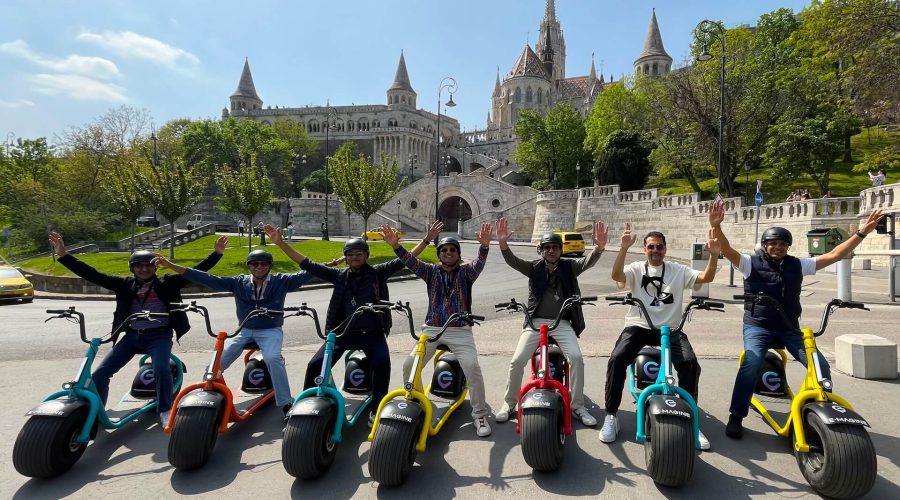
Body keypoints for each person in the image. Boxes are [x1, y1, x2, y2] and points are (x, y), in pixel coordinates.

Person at [712, 204, 885, 439]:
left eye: (782, 244)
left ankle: (818, 415)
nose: (777, 247)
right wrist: (716, 226)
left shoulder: (798, 265)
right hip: (758, 326)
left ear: (788, 247)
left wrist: (862, 232)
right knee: (751, 364)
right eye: (773, 243)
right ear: (765, 245)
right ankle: (736, 415)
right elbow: (727, 249)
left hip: (790, 328)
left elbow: (835, 255)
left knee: (820, 367)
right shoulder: (749, 263)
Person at [48, 232, 226, 426]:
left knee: (161, 369)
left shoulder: (168, 282)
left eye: (148, 265)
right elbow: (92, 274)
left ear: (155, 266)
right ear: (132, 268)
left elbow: (194, 272)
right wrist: (64, 256)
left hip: (159, 335)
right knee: (101, 373)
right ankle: (98, 411)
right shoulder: (124, 284)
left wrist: (216, 254)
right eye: (139, 266)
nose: (144, 269)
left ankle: (165, 409)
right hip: (132, 336)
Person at [271, 221, 441, 425]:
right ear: (345, 258)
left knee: (382, 364)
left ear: (366, 255)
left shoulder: (378, 273)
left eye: (359, 253)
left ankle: (376, 407)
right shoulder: (339, 275)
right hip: (343, 334)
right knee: (315, 365)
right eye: (350, 254)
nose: (355, 257)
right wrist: (281, 243)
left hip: (373, 333)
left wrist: (426, 240)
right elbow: (308, 264)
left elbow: (406, 259)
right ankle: (306, 408)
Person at [600, 213, 722, 450]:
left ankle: (691, 420)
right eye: (651, 247)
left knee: (689, 364)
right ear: (644, 249)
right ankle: (611, 415)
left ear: (666, 249)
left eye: (659, 247)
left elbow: (705, 277)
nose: (655, 250)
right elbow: (617, 277)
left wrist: (714, 256)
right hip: (639, 325)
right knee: (617, 359)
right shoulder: (636, 268)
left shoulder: (677, 270)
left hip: (671, 329)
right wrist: (623, 249)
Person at [154, 244, 311, 415]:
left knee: (273, 359)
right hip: (244, 329)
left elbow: (310, 271)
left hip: (270, 329)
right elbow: (205, 278)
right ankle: (208, 397)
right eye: (254, 264)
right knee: (215, 364)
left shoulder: (281, 281)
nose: (259, 267)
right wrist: (170, 265)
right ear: (249, 266)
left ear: (270, 266)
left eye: (263, 264)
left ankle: (286, 402)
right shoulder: (238, 282)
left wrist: (336, 263)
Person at [382, 222, 494, 437]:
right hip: (432, 329)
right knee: (409, 366)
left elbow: (479, 262)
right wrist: (396, 246)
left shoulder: (467, 273)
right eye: (444, 250)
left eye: (452, 250)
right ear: (439, 254)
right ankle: (416, 403)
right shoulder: (430, 272)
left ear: (458, 254)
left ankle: (479, 414)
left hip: (460, 330)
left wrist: (485, 247)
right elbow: (410, 261)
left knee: (472, 367)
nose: (448, 253)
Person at [495, 219, 609, 427]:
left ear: (560, 250)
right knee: (516, 361)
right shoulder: (533, 268)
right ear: (541, 250)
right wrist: (503, 244)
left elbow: (588, 261)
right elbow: (513, 261)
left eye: (555, 247)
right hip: (535, 322)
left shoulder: (569, 267)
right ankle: (509, 403)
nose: (551, 251)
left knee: (576, 358)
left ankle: (577, 406)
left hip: (562, 322)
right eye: (547, 247)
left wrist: (599, 248)